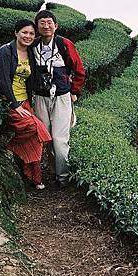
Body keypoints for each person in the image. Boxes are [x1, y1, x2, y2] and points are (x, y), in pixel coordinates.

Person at [0, 19, 52, 189]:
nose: (28, 36)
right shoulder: (6, 50)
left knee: (36, 138)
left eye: (32, 33)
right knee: (35, 129)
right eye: (24, 32)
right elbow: (3, 81)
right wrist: (14, 105)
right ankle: (11, 147)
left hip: (26, 101)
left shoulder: (31, 52)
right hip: (11, 102)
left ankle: (35, 177)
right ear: (16, 33)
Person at [31, 10, 86, 188]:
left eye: (49, 22)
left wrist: (75, 91)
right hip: (40, 96)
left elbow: (79, 70)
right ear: (37, 26)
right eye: (42, 23)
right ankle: (54, 173)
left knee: (59, 138)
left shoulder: (64, 44)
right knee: (45, 136)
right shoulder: (34, 45)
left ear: (56, 26)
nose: (46, 26)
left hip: (61, 96)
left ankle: (63, 178)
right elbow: (15, 50)